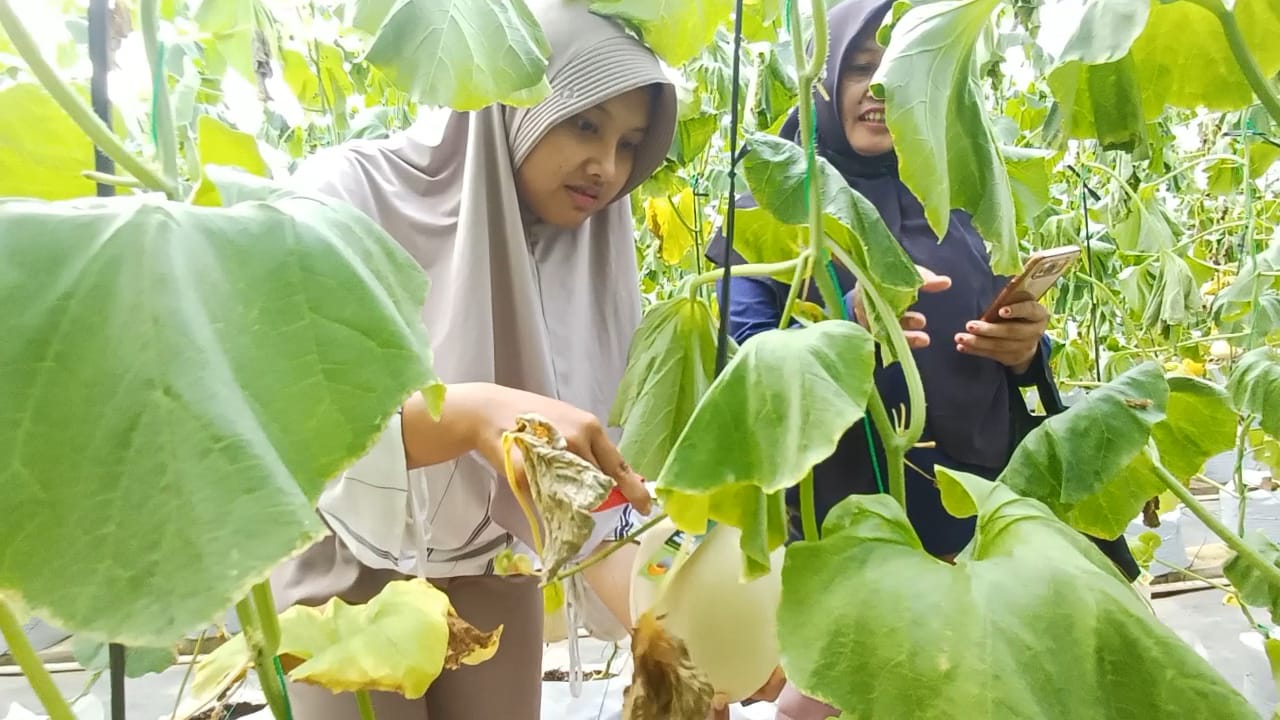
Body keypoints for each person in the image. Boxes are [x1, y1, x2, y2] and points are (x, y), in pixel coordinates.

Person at [705, 0, 1136, 717]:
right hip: (843, 516)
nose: (878, 90)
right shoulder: (772, 201)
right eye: (861, 70)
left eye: (896, 72)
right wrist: (837, 338)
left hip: (975, 498)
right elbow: (744, 355)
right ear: (823, 81)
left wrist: (1026, 345)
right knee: (843, 690)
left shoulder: (956, 189)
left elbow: (1007, 329)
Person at [266, 2, 677, 718]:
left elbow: (590, 495)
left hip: (493, 563)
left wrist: (679, 633)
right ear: (515, 98)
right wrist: (472, 412)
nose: (606, 168)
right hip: (349, 565)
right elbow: (300, 427)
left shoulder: (585, 251)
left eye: (628, 145)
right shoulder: (348, 195)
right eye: (585, 122)